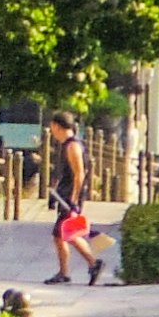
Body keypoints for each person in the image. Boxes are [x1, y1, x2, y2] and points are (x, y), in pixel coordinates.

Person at [44, 112, 106, 285]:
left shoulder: (73, 146)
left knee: (65, 233)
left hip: (70, 196)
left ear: (57, 126)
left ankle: (91, 263)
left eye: (52, 127)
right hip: (64, 194)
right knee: (63, 234)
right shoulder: (66, 145)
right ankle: (72, 270)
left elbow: (79, 174)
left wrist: (73, 200)